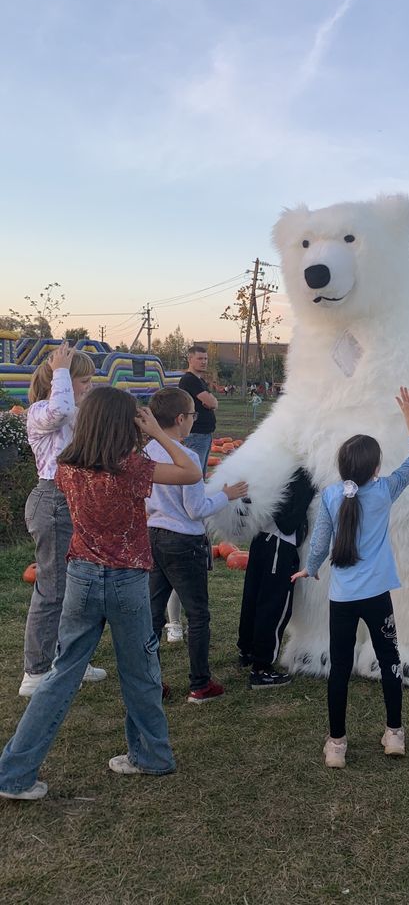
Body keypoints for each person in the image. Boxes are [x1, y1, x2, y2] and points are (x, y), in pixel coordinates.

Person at [0, 387, 202, 800]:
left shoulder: (66, 467)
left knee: (60, 675)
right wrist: (156, 434)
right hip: (127, 582)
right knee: (140, 673)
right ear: (125, 424)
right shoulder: (134, 468)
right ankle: (152, 755)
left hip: (82, 579)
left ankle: (14, 774)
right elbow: (191, 470)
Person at [291, 387, 409, 768]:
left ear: (343, 465)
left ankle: (336, 744)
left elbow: (319, 541)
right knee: (390, 661)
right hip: (377, 596)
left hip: (343, 599)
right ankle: (394, 734)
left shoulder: (333, 496)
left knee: (340, 666)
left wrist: (311, 567)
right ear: (376, 468)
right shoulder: (384, 491)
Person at [145, 388, 248, 703]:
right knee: (198, 613)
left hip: (153, 535)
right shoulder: (185, 457)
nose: (194, 420)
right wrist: (225, 495)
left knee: (152, 613)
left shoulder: (147, 450)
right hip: (183, 541)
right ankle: (200, 684)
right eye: (192, 415)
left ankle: (150, 683)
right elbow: (195, 509)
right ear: (180, 419)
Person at [19, 342, 107, 697]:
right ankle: (35, 672)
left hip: (75, 500)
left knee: (75, 588)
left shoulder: (74, 412)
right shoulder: (41, 410)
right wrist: (60, 371)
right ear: (63, 381)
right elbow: (59, 409)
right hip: (53, 500)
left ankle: (69, 660)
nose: (88, 386)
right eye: (82, 380)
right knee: (52, 589)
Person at [238, 467, 315, 688]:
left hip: (261, 538)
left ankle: (248, 649)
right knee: (274, 605)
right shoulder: (301, 474)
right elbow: (289, 519)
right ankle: (262, 668)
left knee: (253, 598)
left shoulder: (275, 464)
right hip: (280, 543)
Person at [179, 345, 218, 476]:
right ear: (190, 359)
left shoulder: (200, 380)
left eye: (206, 359)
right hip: (196, 433)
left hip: (205, 434)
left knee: (200, 473)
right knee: (195, 475)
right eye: (200, 358)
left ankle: (199, 496)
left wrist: (211, 402)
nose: (204, 362)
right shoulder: (189, 380)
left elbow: (213, 402)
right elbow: (210, 402)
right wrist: (210, 402)